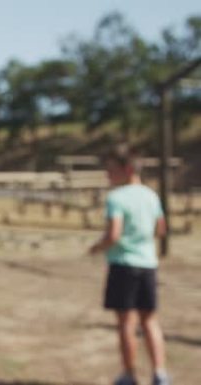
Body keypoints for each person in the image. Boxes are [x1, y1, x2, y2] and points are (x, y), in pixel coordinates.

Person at [88, 144, 170, 385]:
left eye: (111, 170)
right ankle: (160, 373)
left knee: (126, 323)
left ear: (126, 169)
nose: (107, 175)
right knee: (150, 320)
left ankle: (129, 374)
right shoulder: (151, 195)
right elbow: (161, 229)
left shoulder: (116, 198)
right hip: (148, 264)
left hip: (124, 265)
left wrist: (97, 247)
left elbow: (113, 234)